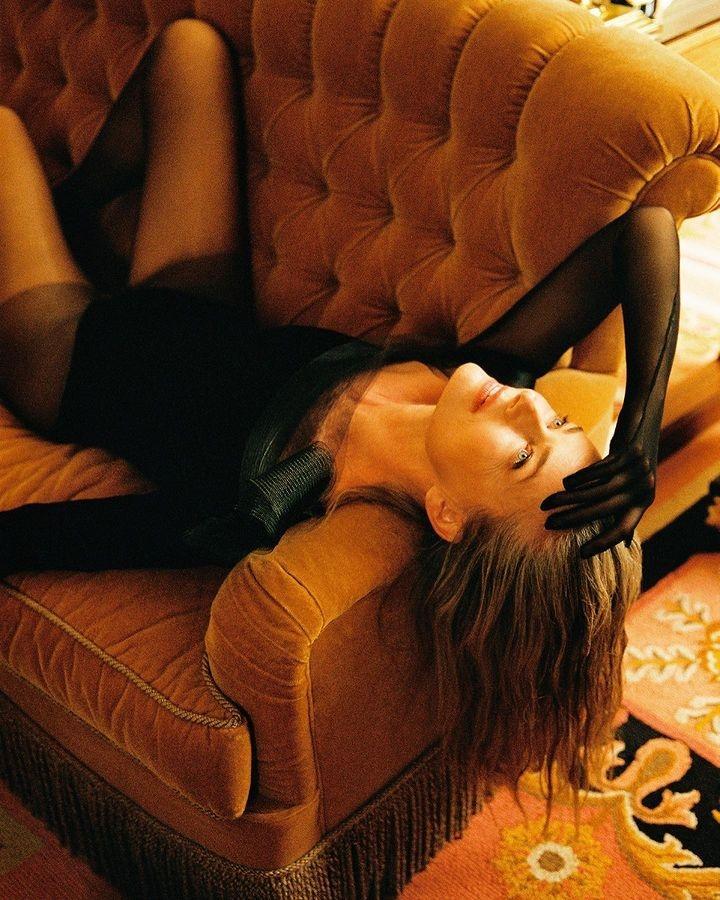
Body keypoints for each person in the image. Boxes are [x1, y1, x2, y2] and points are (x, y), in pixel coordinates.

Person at [0, 18, 680, 833]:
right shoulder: (482, 375)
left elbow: (80, 535)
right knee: (191, 50)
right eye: (562, 423)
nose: (532, 405)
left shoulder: (272, 500)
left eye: (522, 456)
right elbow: (644, 230)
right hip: (190, 295)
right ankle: (69, 212)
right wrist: (639, 430)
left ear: (447, 513)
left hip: (67, 350)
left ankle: (42, 236)